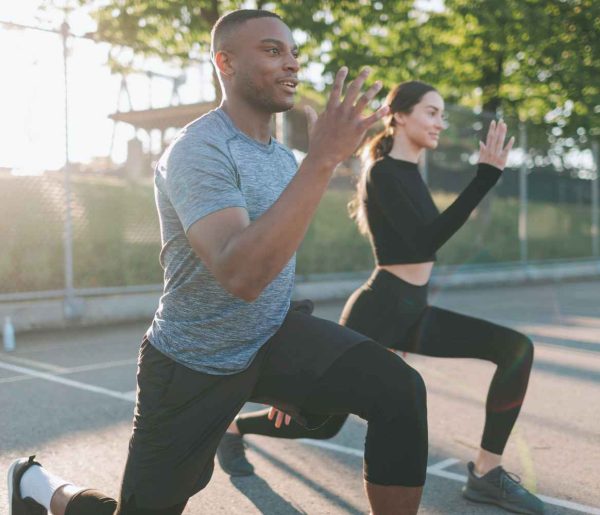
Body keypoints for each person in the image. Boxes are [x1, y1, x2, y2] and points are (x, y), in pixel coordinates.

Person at [8, 10, 430, 515]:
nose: (291, 63)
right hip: (193, 361)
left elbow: (275, 261)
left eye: (294, 53)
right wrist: (323, 161)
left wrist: (294, 366)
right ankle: (37, 485)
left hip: (270, 339)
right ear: (224, 62)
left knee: (400, 391)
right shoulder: (197, 151)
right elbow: (241, 274)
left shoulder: (279, 159)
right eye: (273, 51)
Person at [216, 81, 545, 515]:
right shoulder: (383, 172)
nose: (440, 122)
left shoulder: (410, 174)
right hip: (380, 309)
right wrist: (484, 178)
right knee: (321, 423)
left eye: (442, 114)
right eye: (431, 112)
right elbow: (425, 241)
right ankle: (234, 428)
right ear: (400, 115)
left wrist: (484, 178)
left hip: (415, 309)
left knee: (515, 348)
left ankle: (486, 473)